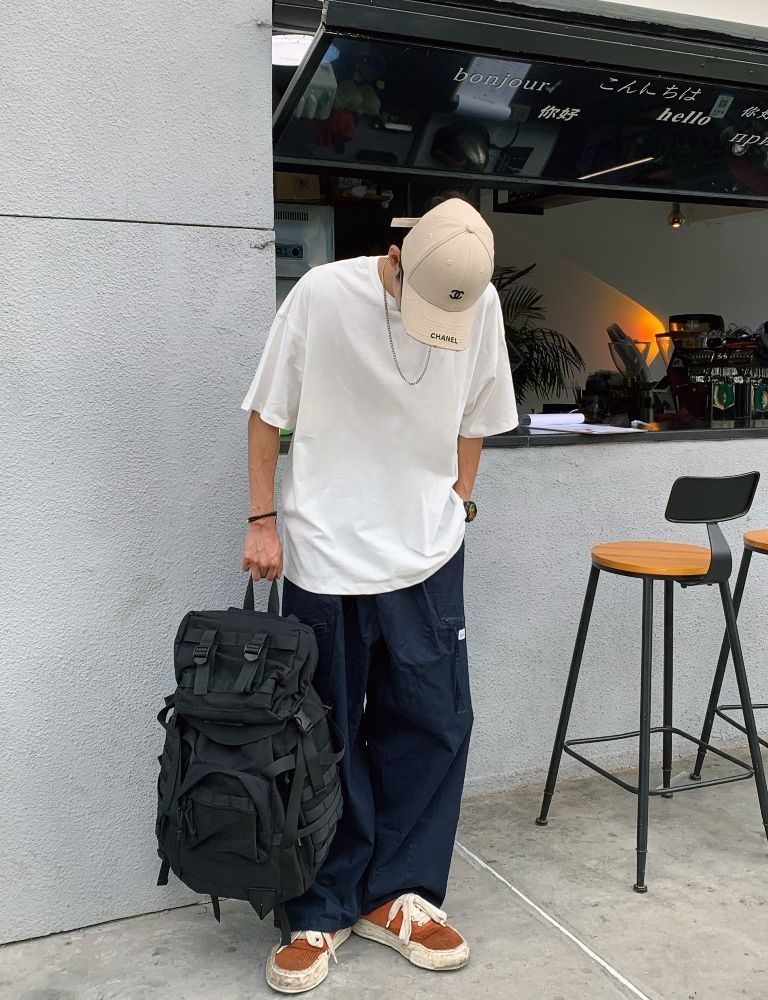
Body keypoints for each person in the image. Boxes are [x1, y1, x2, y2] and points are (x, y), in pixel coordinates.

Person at [241, 197, 518, 994]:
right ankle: (319, 905)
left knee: (433, 722)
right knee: (322, 732)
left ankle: (399, 894)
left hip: (428, 554)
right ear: (396, 258)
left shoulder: (478, 302)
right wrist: (262, 519)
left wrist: (460, 501)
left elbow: (477, 413)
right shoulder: (322, 295)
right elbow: (266, 413)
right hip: (325, 552)